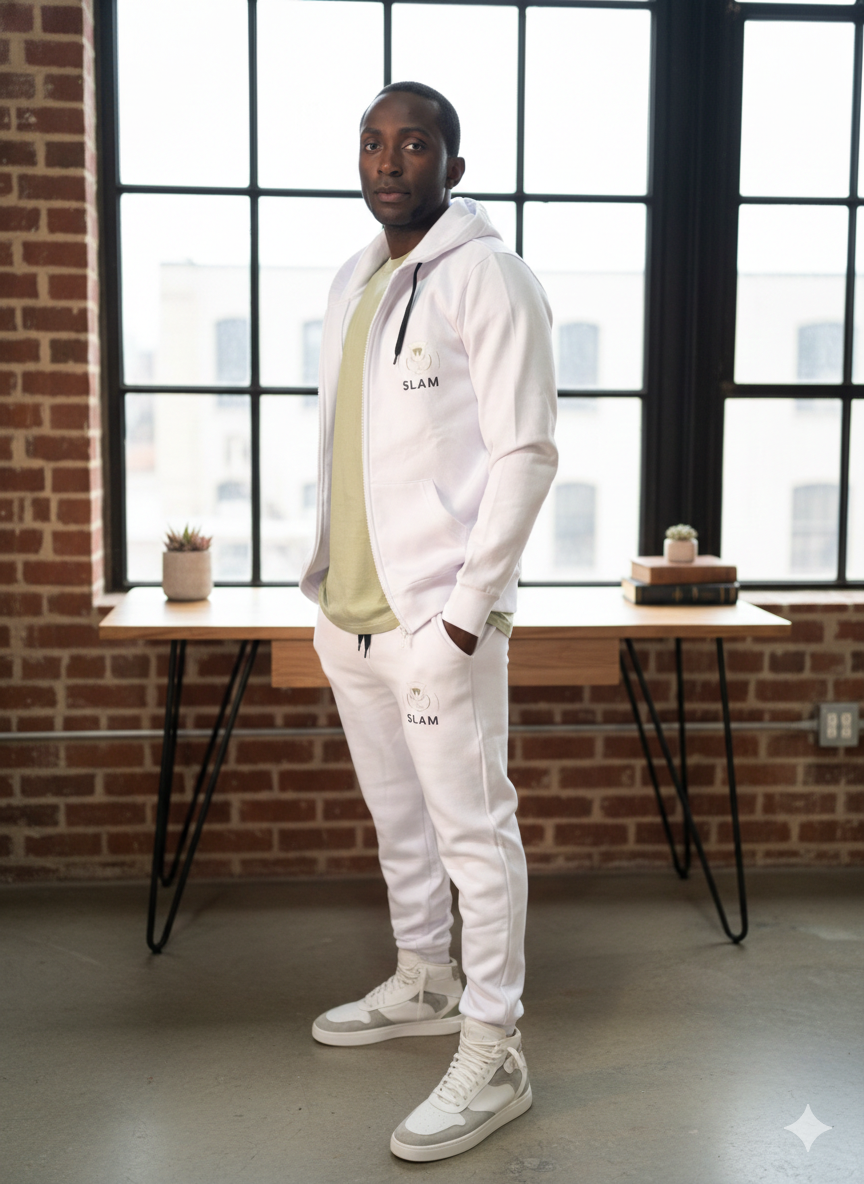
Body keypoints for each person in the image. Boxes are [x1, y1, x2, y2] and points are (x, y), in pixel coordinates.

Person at [299, 80, 558, 1162]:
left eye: (413, 144)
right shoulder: (355, 280)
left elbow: (527, 452)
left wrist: (463, 618)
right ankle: (424, 979)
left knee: (474, 835)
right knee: (399, 821)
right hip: (352, 614)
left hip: (436, 622)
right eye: (373, 143)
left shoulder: (489, 277)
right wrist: (325, 593)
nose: (388, 161)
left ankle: (495, 1047)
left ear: (453, 164)